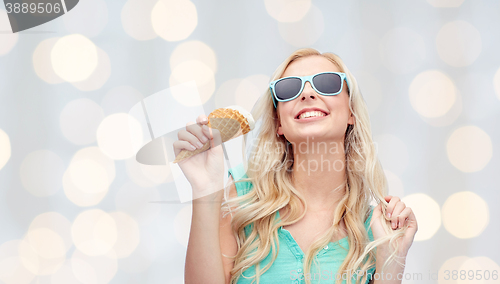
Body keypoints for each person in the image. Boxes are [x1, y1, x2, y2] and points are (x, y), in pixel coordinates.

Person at [174, 48, 418, 284]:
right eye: (289, 88)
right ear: (279, 122)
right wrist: (204, 190)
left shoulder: (375, 229)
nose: (307, 94)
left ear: (351, 111)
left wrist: (391, 260)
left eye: (327, 83)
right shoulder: (240, 198)